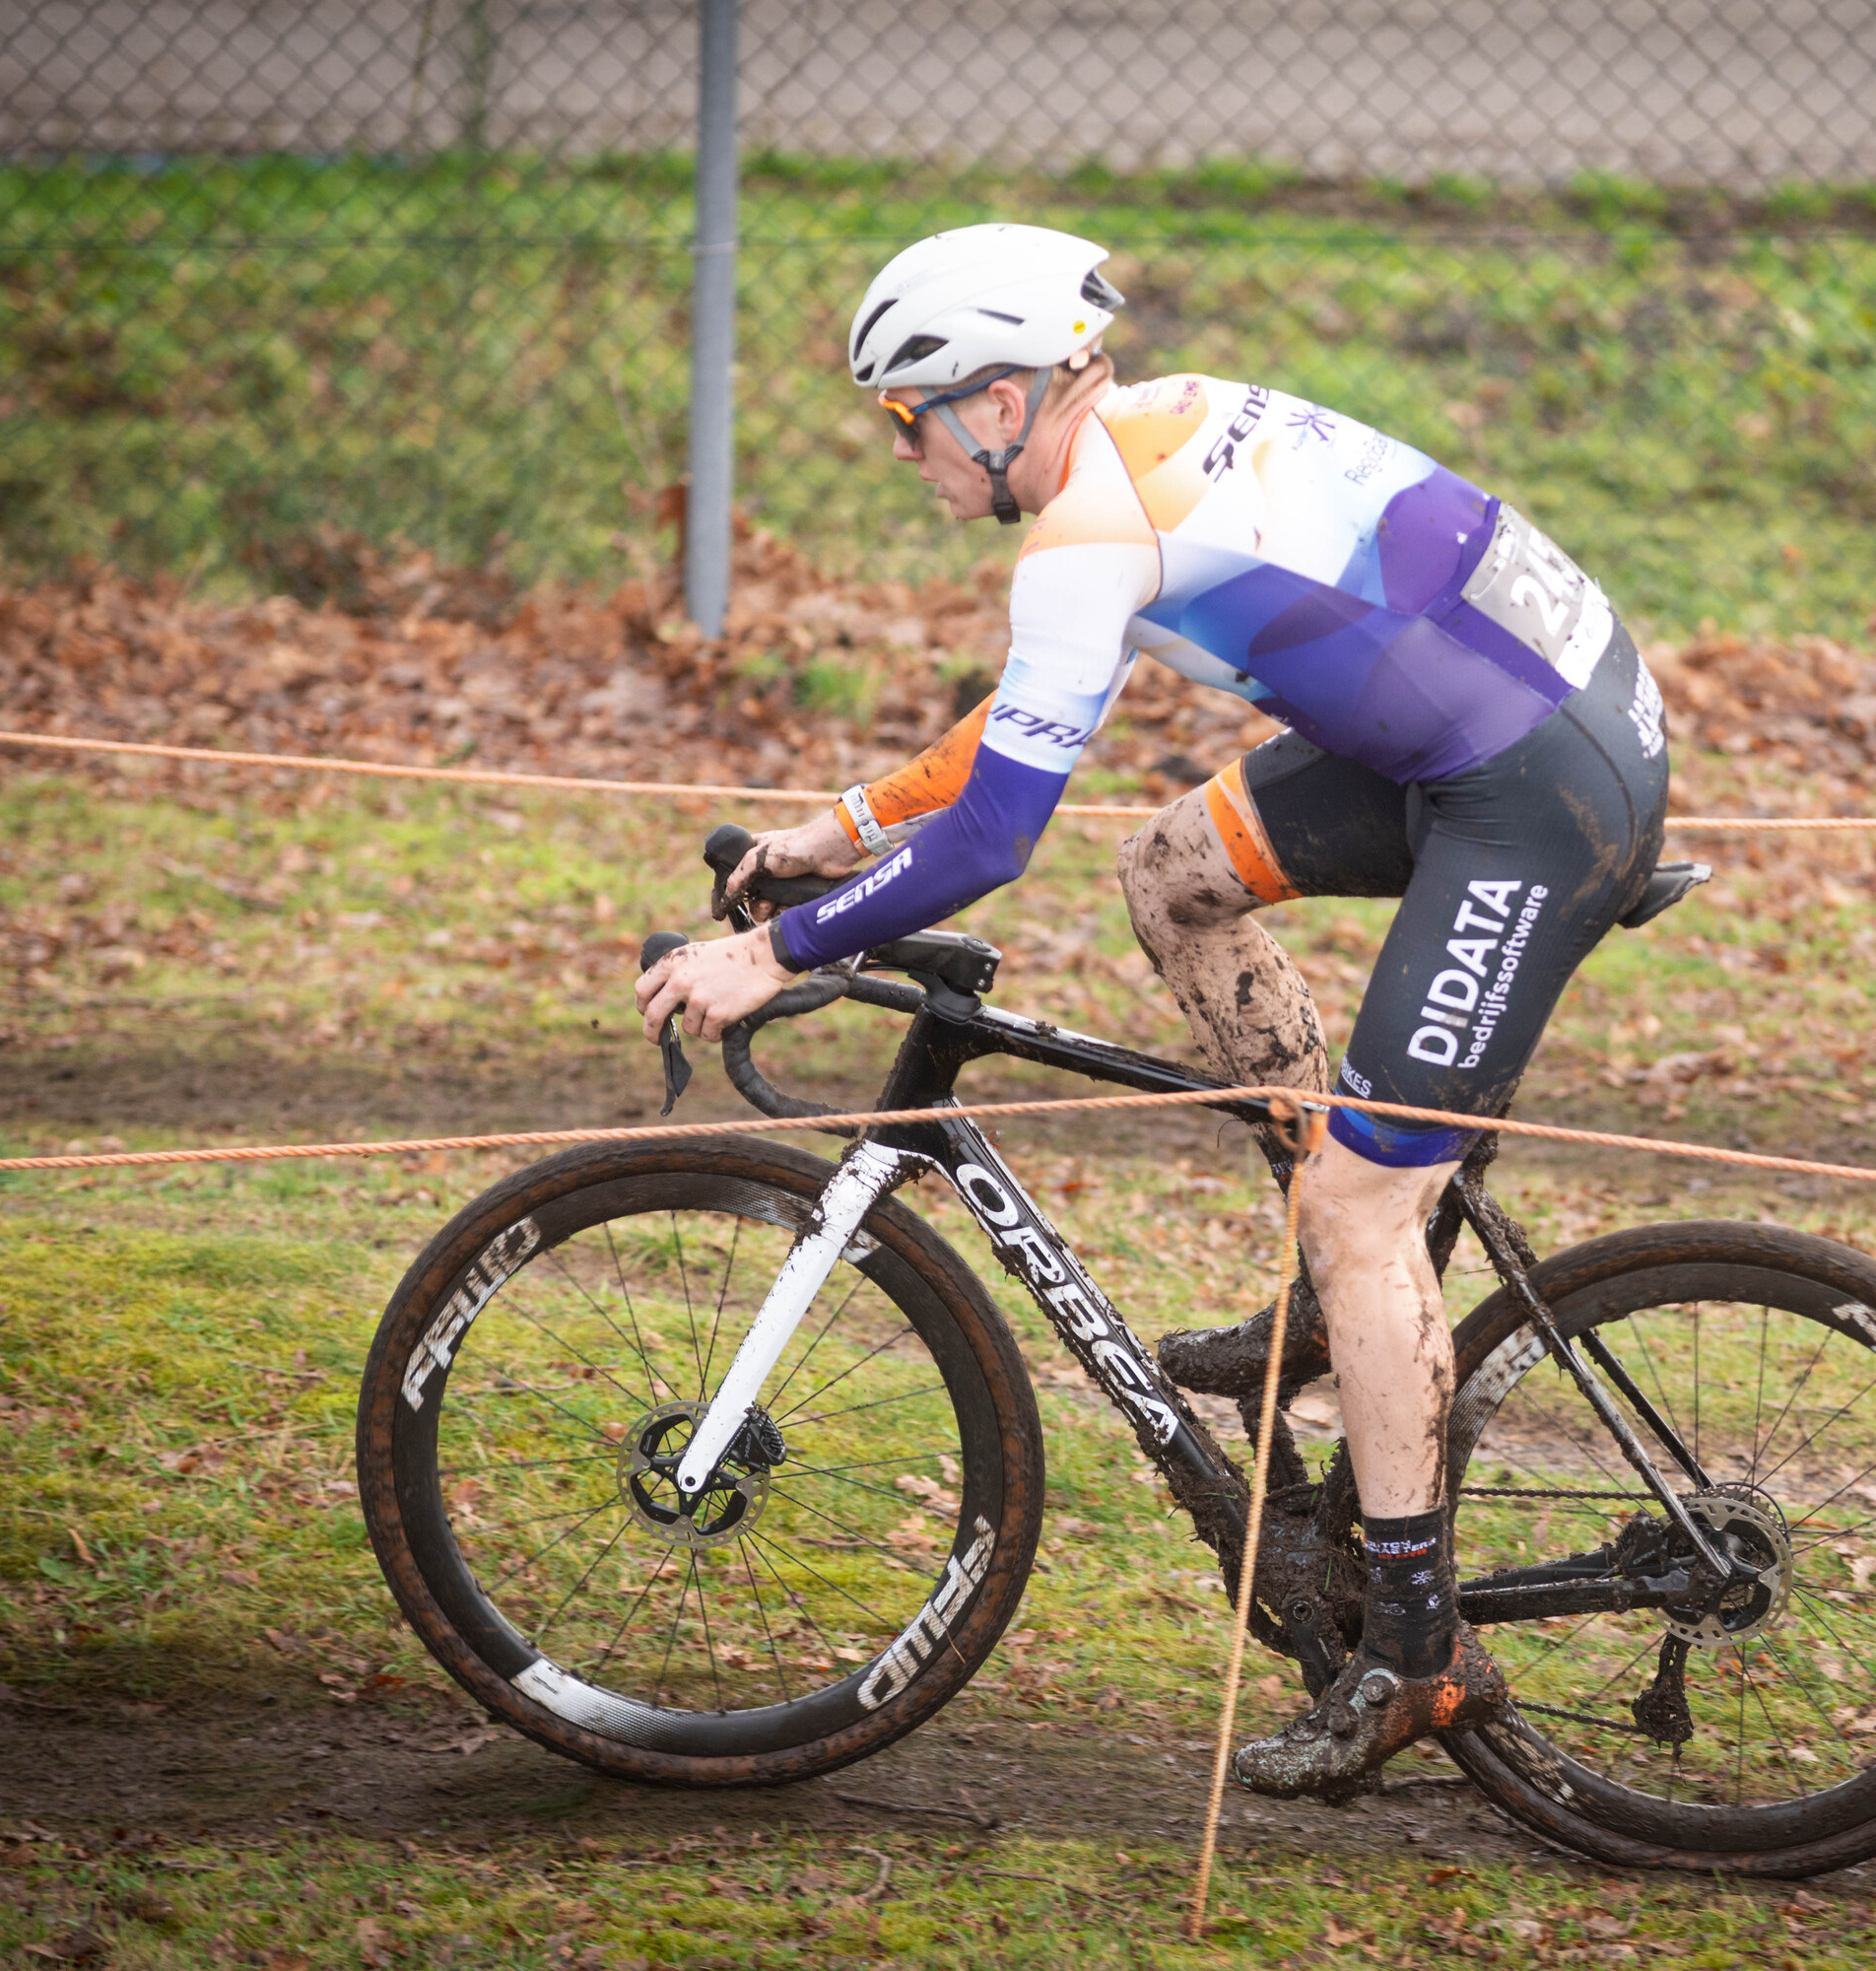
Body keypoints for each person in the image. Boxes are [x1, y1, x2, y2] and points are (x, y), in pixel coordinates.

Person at [636, 222, 1670, 1801]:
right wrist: (842, 826)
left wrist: (771, 958)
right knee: (1177, 871)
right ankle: (1332, 1294)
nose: (898, 454)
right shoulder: (1135, 437)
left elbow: (993, 843)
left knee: (1365, 1204)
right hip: (1502, 720)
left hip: (1527, 792)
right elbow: (1029, 707)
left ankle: (1416, 1651)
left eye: (901, 419)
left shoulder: (1087, 528)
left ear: (991, 403)